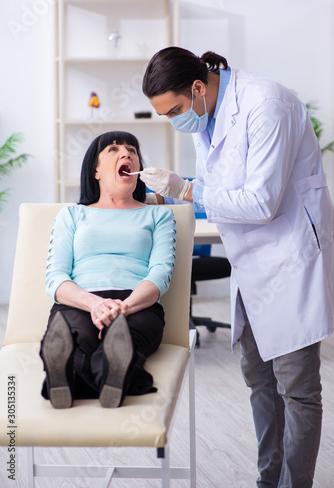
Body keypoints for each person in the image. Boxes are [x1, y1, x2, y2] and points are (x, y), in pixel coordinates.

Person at [140, 46, 334, 487]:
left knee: (297, 388)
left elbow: (261, 202)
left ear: (196, 87)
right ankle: (269, 480)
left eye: (175, 110)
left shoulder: (267, 104)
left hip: (290, 258)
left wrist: (186, 189)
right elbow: (217, 189)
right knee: (259, 380)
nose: (175, 121)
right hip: (250, 263)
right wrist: (168, 196)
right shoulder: (205, 116)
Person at [39, 130, 176, 409]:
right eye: (113, 149)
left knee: (125, 335)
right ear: (96, 171)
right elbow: (56, 277)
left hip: (136, 303)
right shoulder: (72, 215)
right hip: (80, 300)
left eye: (132, 150)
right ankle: (105, 376)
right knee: (74, 334)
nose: (126, 153)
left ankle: (75, 377)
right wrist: (96, 305)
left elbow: (160, 273)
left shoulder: (158, 215)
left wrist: (121, 309)